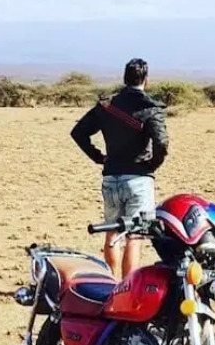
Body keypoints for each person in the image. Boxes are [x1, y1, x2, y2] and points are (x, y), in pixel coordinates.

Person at [71, 58, 169, 278]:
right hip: (138, 180)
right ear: (146, 80)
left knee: (112, 233)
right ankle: (127, 287)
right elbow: (162, 143)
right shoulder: (150, 108)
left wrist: (98, 157)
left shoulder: (106, 106)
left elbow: (78, 132)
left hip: (111, 178)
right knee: (135, 236)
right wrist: (152, 165)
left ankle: (111, 282)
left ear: (124, 78)